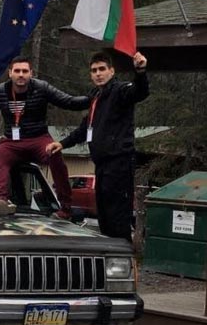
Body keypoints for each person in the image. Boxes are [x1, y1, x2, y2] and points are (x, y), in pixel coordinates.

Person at [45, 51, 149, 242]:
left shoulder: (120, 91)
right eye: (94, 70)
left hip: (119, 162)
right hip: (101, 165)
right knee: (103, 214)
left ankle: (121, 261)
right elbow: (85, 128)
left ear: (111, 71)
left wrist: (140, 71)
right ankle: (108, 259)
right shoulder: (96, 97)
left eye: (102, 69)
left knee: (117, 215)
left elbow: (140, 92)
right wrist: (62, 143)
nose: (98, 73)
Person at [0, 56, 90, 219]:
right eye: (17, 71)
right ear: (10, 73)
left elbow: (68, 102)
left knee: (55, 154)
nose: (21, 75)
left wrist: (93, 98)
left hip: (38, 139)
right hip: (11, 141)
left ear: (31, 73)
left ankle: (66, 208)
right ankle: (0, 200)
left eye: (25, 71)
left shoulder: (42, 88)